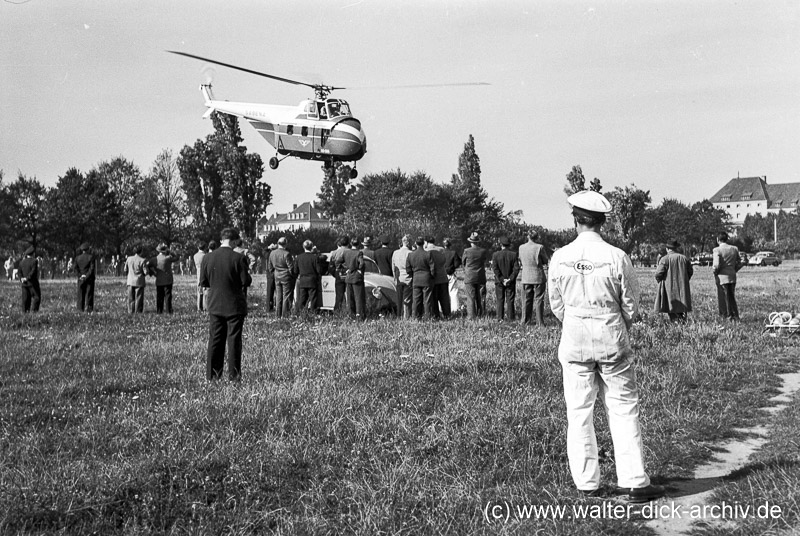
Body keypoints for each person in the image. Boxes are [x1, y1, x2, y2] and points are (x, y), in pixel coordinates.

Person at [548, 190, 664, 503]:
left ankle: (587, 482)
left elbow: (556, 304)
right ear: (602, 222)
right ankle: (634, 480)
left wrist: (576, 321)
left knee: (579, 412)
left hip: (574, 340)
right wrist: (616, 323)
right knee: (623, 408)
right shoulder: (617, 257)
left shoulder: (560, 257)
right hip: (611, 337)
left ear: (575, 219)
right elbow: (631, 304)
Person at [199, 228, 252, 381]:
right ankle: (234, 376)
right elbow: (245, 281)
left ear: (221, 239)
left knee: (215, 340)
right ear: (234, 241)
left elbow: (204, 281)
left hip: (215, 303)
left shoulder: (207, 257)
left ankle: (213, 375)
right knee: (234, 341)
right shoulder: (239, 258)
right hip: (234, 305)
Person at [654, 239, 693, 322]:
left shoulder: (665, 259)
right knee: (682, 310)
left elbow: (658, 274)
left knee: (671, 308)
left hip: (669, 288)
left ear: (667, 249)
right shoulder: (684, 258)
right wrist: (684, 280)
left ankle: (675, 323)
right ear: (676, 248)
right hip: (682, 289)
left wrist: (661, 281)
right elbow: (690, 272)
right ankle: (682, 323)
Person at [519, 230, 549, 326]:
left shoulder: (521, 247)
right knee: (539, 300)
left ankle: (525, 321)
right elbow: (545, 260)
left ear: (528, 236)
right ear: (536, 237)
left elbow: (520, 259)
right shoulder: (539, 247)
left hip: (526, 276)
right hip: (538, 276)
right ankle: (539, 322)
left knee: (526, 300)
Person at [712, 232, 743, 321]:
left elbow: (716, 265)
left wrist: (715, 272)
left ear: (718, 240)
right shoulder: (734, 249)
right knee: (731, 296)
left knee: (722, 298)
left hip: (722, 277)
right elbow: (740, 261)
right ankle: (734, 315)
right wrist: (734, 269)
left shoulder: (717, 250)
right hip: (732, 276)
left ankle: (725, 316)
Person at [406, 236, 435, 319]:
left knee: (416, 300)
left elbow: (408, 269)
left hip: (416, 278)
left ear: (415, 243)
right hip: (426, 279)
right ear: (423, 244)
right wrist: (431, 277)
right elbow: (432, 268)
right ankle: (428, 317)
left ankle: (415, 317)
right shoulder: (428, 254)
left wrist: (412, 275)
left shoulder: (410, 255)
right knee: (427, 300)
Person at [461, 232, 489, 319]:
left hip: (469, 276)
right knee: (481, 296)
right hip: (480, 276)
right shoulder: (483, 251)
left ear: (470, 242)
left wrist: (466, 270)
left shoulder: (466, 251)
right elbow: (484, 261)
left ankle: (471, 315)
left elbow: (463, 262)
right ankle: (482, 314)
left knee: (470, 297)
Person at [492, 236, 520, 321]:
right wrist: (510, 279)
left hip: (499, 281)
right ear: (509, 245)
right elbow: (516, 269)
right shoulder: (514, 255)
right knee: (510, 300)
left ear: (501, 244)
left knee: (500, 299)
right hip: (510, 281)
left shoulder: (495, 255)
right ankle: (510, 318)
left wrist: (501, 279)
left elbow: (495, 268)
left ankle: (500, 317)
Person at [338, 237, 366, 320]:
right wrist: (359, 270)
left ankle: (351, 315)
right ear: (359, 244)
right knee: (358, 298)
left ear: (351, 243)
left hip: (348, 277)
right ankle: (359, 315)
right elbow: (362, 263)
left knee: (350, 298)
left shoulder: (346, 252)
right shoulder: (359, 253)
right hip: (357, 277)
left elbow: (338, 261)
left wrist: (345, 269)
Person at [149, 243, 181, 314]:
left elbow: (148, 266)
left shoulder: (154, 259)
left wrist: (153, 273)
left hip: (159, 280)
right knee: (168, 296)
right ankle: (168, 311)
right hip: (168, 280)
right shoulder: (168, 258)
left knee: (159, 297)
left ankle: (159, 311)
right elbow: (177, 257)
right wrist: (170, 252)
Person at [269, 237, 295, 318]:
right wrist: (292, 275)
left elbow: (270, 267)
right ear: (286, 244)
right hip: (286, 276)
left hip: (277, 276)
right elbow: (291, 268)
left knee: (278, 296)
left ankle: (278, 315)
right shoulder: (287, 254)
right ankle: (285, 315)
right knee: (286, 296)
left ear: (278, 243)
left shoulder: (272, 253)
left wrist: (274, 273)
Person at [425, 236, 450, 318]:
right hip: (443, 277)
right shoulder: (441, 250)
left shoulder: (426, 251)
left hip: (433, 278)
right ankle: (447, 315)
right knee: (444, 299)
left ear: (426, 242)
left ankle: (436, 315)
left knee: (434, 299)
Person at [295, 240, 320, 314]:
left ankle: (301, 313)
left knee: (302, 299)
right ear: (312, 247)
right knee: (313, 299)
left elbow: (295, 270)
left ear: (303, 247)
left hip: (302, 280)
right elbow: (319, 270)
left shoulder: (299, 257)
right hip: (312, 280)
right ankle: (313, 313)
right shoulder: (315, 257)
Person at [392, 235, 413, 319]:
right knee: (407, 300)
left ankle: (398, 315)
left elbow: (393, 268)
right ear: (409, 243)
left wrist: (395, 278)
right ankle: (406, 317)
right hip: (408, 278)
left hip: (398, 278)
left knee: (399, 299)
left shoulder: (395, 253)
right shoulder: (410, 253)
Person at [124, 245, 148, 313]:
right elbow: (146, 272)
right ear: (141, 251)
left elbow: (125, 269)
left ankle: (130, 311)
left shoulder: (129, 259)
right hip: (139, 281)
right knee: (139, 298)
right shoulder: (142, 260)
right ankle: (138, 311)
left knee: (130, 298)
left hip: (130, 281)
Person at [328, 238, 349, 313]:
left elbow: (330, 267)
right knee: (350, 295)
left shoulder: (334, 253)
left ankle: (337, 312)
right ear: (348, 243)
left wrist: (336, 274)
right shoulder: (350, 252)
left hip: (339, 274)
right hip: (349, 274)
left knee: (339, 296)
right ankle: (350, 311)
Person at [74, 242, 96, 312]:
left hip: (80, 279)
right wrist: (86, 276)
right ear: (88, 249)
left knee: (80, 294)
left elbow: (75, 269)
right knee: (89, 294)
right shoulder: (91, 257)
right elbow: (92, 269)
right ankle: (89, 309)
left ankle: (80, 309)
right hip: (89, 279)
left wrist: (80, 275)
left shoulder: (77, 258)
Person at [19, 246, 41, 313]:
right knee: (37, 297)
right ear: (33, 254)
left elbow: (19, 272)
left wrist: (21, 278)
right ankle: (34, 312)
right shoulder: (34, 261)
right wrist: (27, 278)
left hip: (24, 284)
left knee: (25, 299)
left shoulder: (21, 262)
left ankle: (25, 312)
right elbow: (33, 271)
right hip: (32, 283)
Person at [442, 238, 461, 313]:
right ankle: (455, 309)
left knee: (443, 293)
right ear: (450, 245)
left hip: (442, 275)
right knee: (453, 292)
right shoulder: (453, 253)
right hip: (451, 274)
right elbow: (457, 264)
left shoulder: (441, 253)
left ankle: (443, 310)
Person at [193, 242, 207, 312]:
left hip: (198, 273)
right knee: (205, 290)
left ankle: (199, 307)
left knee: (199, 291)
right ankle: (204, 307)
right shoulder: (205, 256)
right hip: (204, 273)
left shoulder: (195, 255)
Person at [264, 243, 277, 312]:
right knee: (278, 292)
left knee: (269, 292)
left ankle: (269, 308)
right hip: (277, 274)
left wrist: (268, 247)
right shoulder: (277, 253)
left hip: (270, 274)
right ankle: (277, 307)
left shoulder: (268, 254)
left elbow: (264, 251)